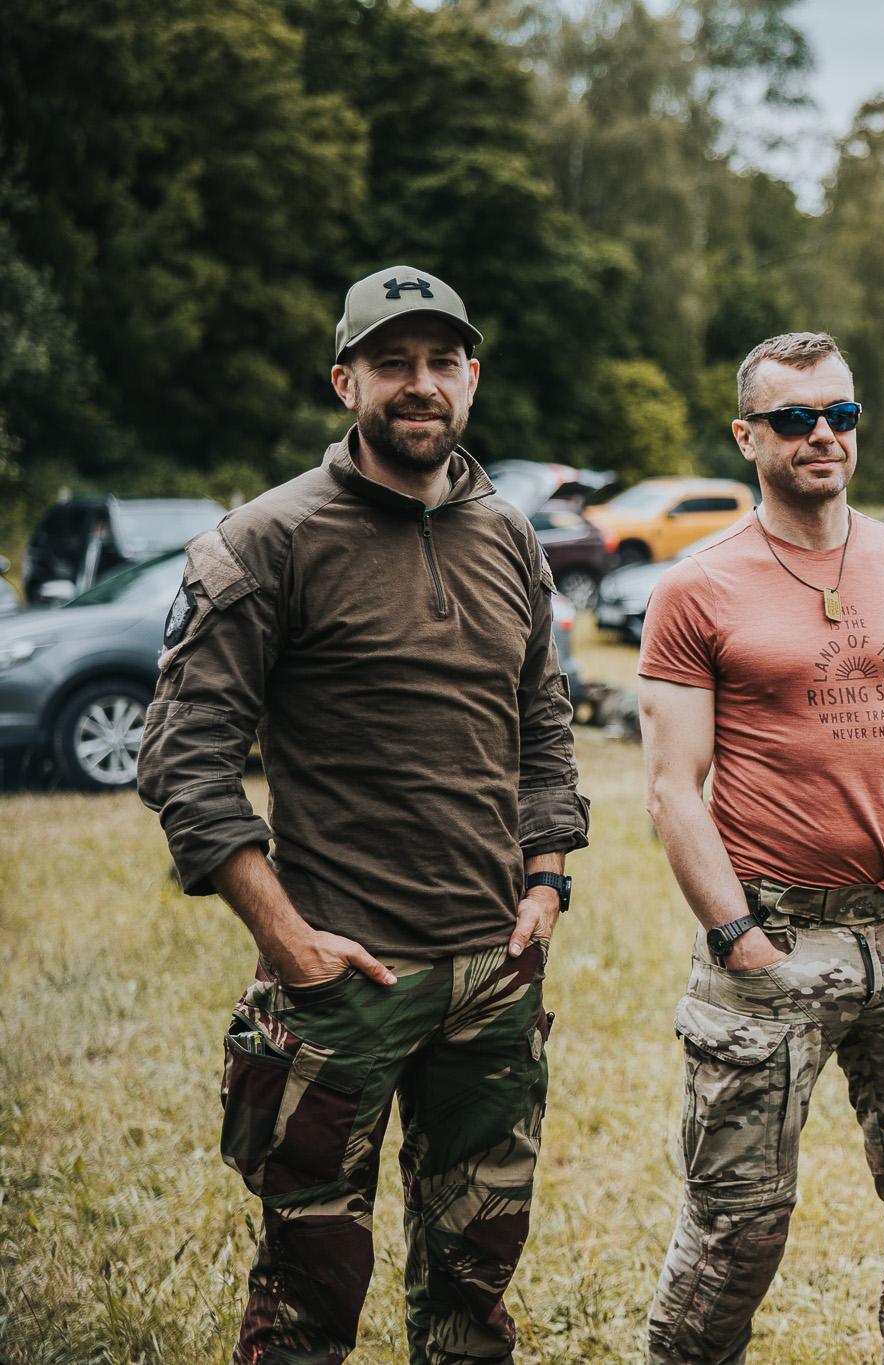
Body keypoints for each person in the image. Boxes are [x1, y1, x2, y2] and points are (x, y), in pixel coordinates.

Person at [138, 265, 589, 1364]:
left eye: (441, 362)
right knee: (306, 1300)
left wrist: (544, 877)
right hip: (342, 984)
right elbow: (182, 757)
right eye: (393, 363)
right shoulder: (266, 541)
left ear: (471, 379)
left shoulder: (509, 537)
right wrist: (285, 940)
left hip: (492, 977)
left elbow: (542, 715)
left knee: (472, 1296)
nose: (419, 384)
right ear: (347, 381)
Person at [638, 332, 884, 1365]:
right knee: (736, 1228)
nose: (822, 435)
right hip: (777, 937)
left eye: (840, 414)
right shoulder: (696, 587)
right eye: (795, 419)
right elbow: (670, 787)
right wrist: (738, 936)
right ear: (748, 437)